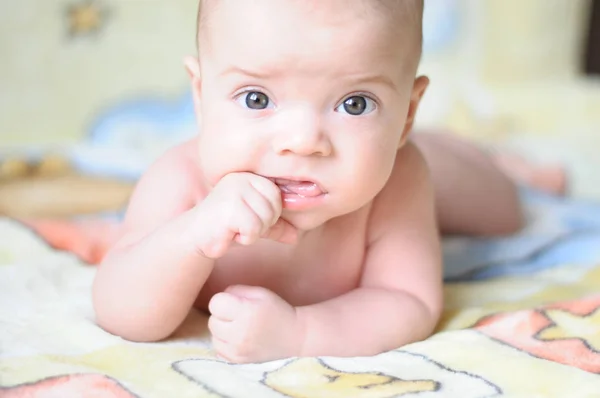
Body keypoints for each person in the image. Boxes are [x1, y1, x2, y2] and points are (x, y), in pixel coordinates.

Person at [92, 0, 567, 363]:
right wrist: (193, 236)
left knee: (504, 211)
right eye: (257, 98)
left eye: (355, 104)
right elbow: (120, 310)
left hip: (410, 166)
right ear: (201, 95)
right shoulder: (180, 181)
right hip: (370, 160)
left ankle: (498, 162)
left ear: (405, 114)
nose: (302, 142)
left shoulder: (397, 182)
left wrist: (300, 333)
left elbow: (409, 301)